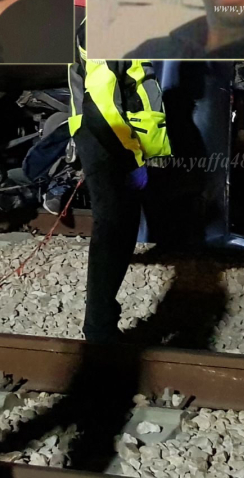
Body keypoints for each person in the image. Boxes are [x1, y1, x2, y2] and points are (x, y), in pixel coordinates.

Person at [68, 19, 172, 342]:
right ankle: (99, 330)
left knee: (119, 231)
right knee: (113, 232)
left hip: (111, 143)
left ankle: (102, 324)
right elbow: (103, 108)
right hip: (109, 145)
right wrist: (130, 160)